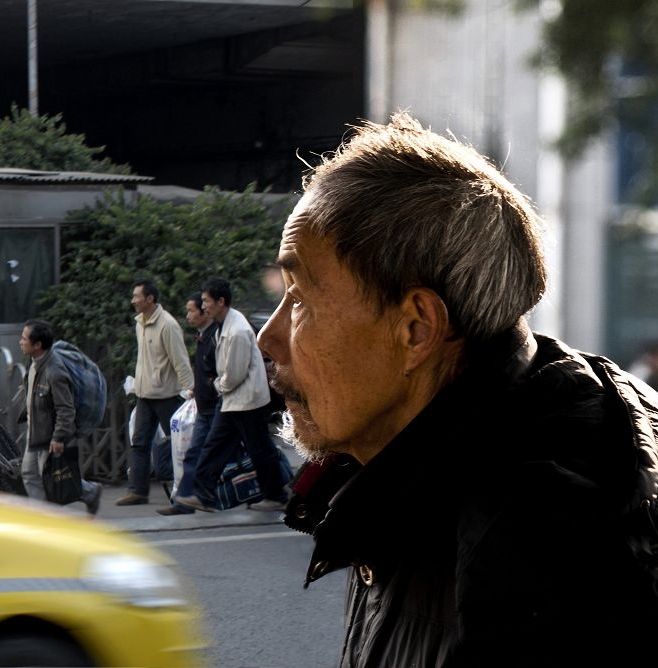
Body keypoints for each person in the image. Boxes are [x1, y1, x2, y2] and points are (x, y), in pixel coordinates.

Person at [256, 112, 658, 666]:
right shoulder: (409, 464)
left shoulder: (542, 545)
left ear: (417, 328)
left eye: (300, 297)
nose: (268, 337)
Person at [176, 278, 288, 512]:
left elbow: (234, 374)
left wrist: (217, 385)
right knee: (218, 447)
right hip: (236, 400)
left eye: (206, 301)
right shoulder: (226, 325)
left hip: (245, 400)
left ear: (221, 302)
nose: (204, 306)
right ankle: (204, 495)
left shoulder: (236, 330)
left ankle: (275, 495)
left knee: (255, 449)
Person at [116, 279, 194, 506]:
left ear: (150, 299)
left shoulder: (167, 325)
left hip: (167, 396)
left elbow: (180, 361)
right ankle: (137, 491)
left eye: (136, 296)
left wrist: (189, 390)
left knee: (180, 443)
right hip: (144, 395)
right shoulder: (140, 323)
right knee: (139, 442)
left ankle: (188, 489)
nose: (133, 301)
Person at [18, 319, 102, 515]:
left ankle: (86, 494)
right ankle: (43, 516)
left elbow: (66, 409)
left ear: (37, 345)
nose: (20, 342)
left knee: (52, 479)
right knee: (30, 473)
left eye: (24, 339)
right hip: (36, 431)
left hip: (49, 435)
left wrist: (58, 437)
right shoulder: (34, 363)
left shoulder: (54, 371)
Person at [157, 292, 219, 516]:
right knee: (194, 453)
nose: (188, 315)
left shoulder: (216, 335)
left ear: (205, 312)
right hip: (205, 406)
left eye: (192, 310)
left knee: (252, 450)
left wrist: (207, 389)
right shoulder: (203, 335)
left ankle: (272, 493)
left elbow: (220, 373)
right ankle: (185, 502)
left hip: (219, 407)